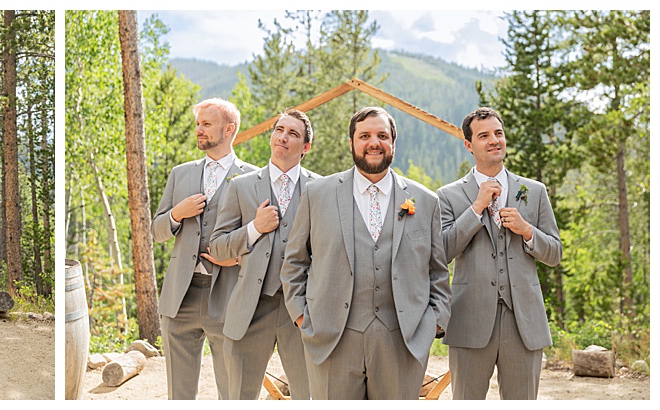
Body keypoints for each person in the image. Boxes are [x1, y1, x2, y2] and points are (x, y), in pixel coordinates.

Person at [281, 106, 450, 399]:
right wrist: (302, 318)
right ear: (352, 143)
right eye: (365, 136)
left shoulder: (424, 200)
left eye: (382, 135)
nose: (374, 142)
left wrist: (432, 325)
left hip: (403, 344)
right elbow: (295, 262)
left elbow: (437, 272)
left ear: (393, 144)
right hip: (330, 340)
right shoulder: (317, 194)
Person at [438, 107, 562, 399]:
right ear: (469, 145)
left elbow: (555, 253)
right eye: (484, 136)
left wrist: (527, 230)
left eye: (498, 133)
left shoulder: (534, 191)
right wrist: (475, 209)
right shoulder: (448, 195)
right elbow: (441, 252)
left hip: (524, 323)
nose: (494, 140)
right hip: (469, 320)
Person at [151, 98, 259, 399]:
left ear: (229, 129)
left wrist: (236, 258)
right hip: (179, 297)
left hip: (229, 295)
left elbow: (264, 239)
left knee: (233, 392)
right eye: (198, 124)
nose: (199, 130)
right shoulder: (180, 174)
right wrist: (176, 214)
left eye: (207, 124)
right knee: (179, 395)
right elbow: (156, 232)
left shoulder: (253, 177)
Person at [208, 109, 317, 399]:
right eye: (279, 129)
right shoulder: (241, 186)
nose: (283, 137)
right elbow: (217, 246)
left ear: (305, 147)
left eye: (293, 133)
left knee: (311, 397)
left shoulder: (321, 189)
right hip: (250, 310)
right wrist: (254, 228)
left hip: (303, 313)